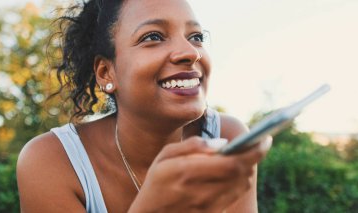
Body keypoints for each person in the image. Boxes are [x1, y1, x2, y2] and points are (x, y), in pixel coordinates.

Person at [16, 0, 272, 212]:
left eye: (195, 36)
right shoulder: (51, 160)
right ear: (106, 73)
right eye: (153, 36)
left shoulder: (227, 136)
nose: (191, 52)